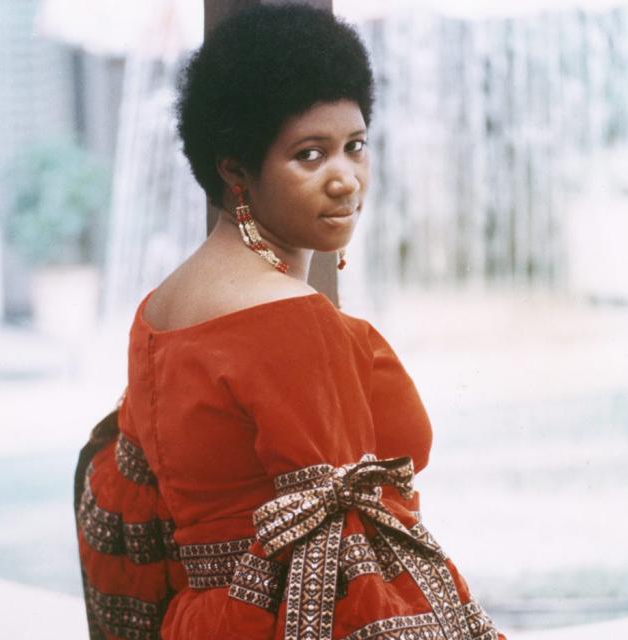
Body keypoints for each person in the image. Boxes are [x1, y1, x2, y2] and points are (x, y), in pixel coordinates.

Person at [75, 4, 506, 639]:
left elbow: (135, 497)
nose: (345, 180)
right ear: (235, 169)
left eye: (355, 146)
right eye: (309, 155)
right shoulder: (292, 323)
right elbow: (348, 561)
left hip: (196, 620)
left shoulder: (160, 309)